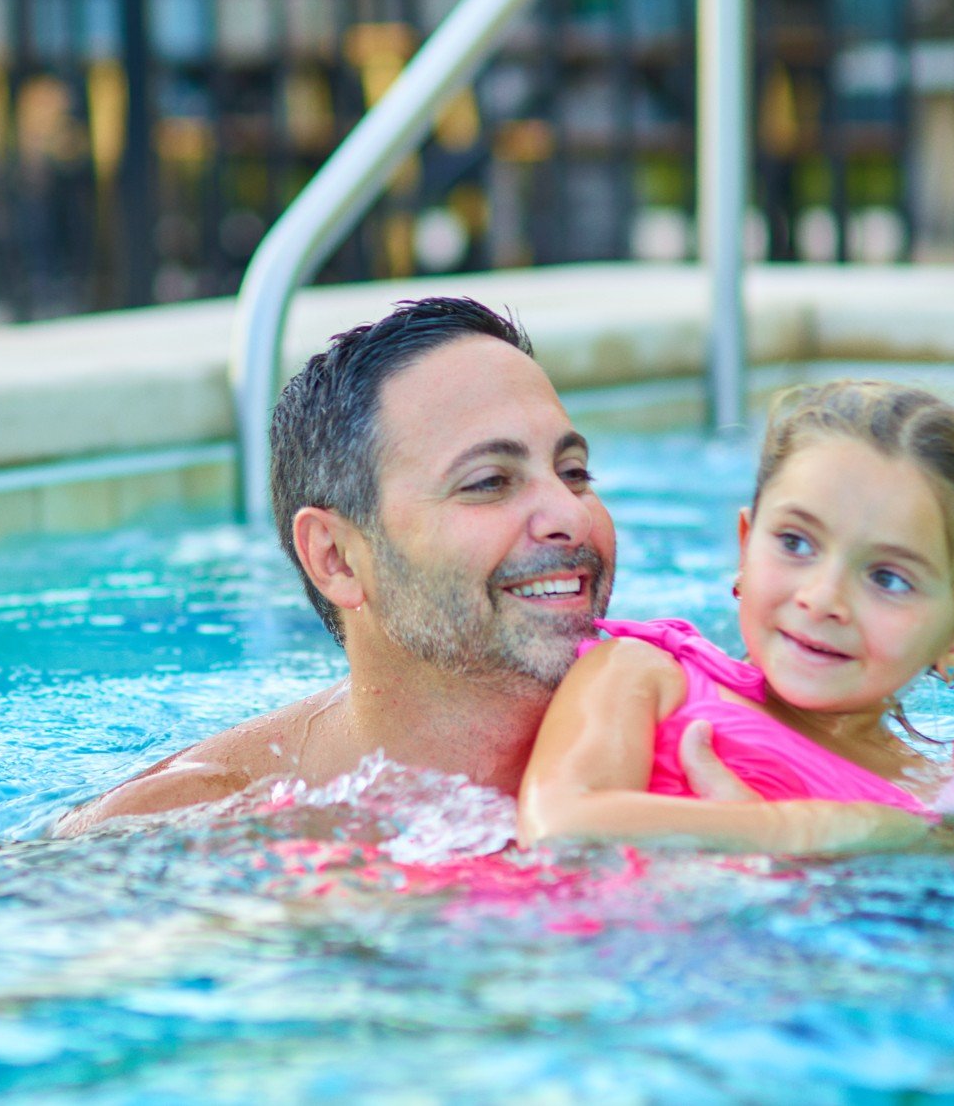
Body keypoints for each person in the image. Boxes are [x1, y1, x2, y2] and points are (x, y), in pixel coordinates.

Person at [59, 296, 613, 832]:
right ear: (337, 558)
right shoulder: (195, 829)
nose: (570, 513)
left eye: (574, 473)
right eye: (488, 482)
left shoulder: (680, 718)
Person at [517, 380, 954, 855]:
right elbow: (561, 828)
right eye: (795, 542)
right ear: (745, 548)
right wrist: (812, 830)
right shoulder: (642, 677)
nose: (822, 598)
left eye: (888, 578)